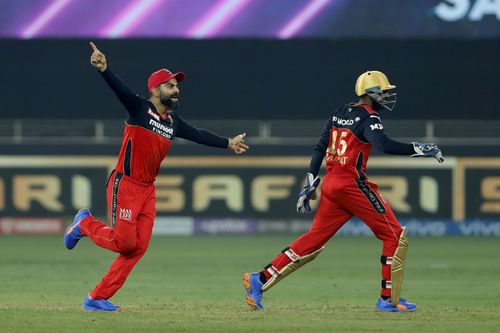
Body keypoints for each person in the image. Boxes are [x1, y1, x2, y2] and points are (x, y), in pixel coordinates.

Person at [64, 42, 249, 312]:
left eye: (176, 85)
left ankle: (96, 298)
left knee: (137, 248)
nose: (176, 89)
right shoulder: (140, 109)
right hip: (125, 184)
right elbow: (121, 91)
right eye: (170, 85)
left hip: (147, 191)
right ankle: (84, 225)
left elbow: (198, 134)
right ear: (155, 90)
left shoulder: (173, 122)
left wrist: (228, 143)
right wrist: (104, 69)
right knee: (124, 242)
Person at [243, 70, 444, 313]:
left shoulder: (340, 113)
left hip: (331, 184)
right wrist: (420, 149)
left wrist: (309, 182)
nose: (388, 97)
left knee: (314, 240)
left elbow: (320, 148)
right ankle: (388, 300)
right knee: (394, 236)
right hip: (352, 185)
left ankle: (260, 279)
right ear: (370, 94)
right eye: (383, 92)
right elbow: (383, 144)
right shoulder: (369, 118)